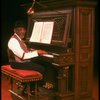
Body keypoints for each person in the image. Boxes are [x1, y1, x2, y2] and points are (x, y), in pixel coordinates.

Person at [7, 20, 48, 95]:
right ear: (15, 30)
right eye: (19, 29)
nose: (22, 31)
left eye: (23, 29)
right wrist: (37, 52)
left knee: (41, 63)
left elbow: (26, 52)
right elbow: (23, 56)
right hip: (17, 63)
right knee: (41, 68)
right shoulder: (13, 41)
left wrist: (34, 52)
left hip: (21, 62)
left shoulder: (19, 39)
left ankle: (26, 86)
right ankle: (32, 89)